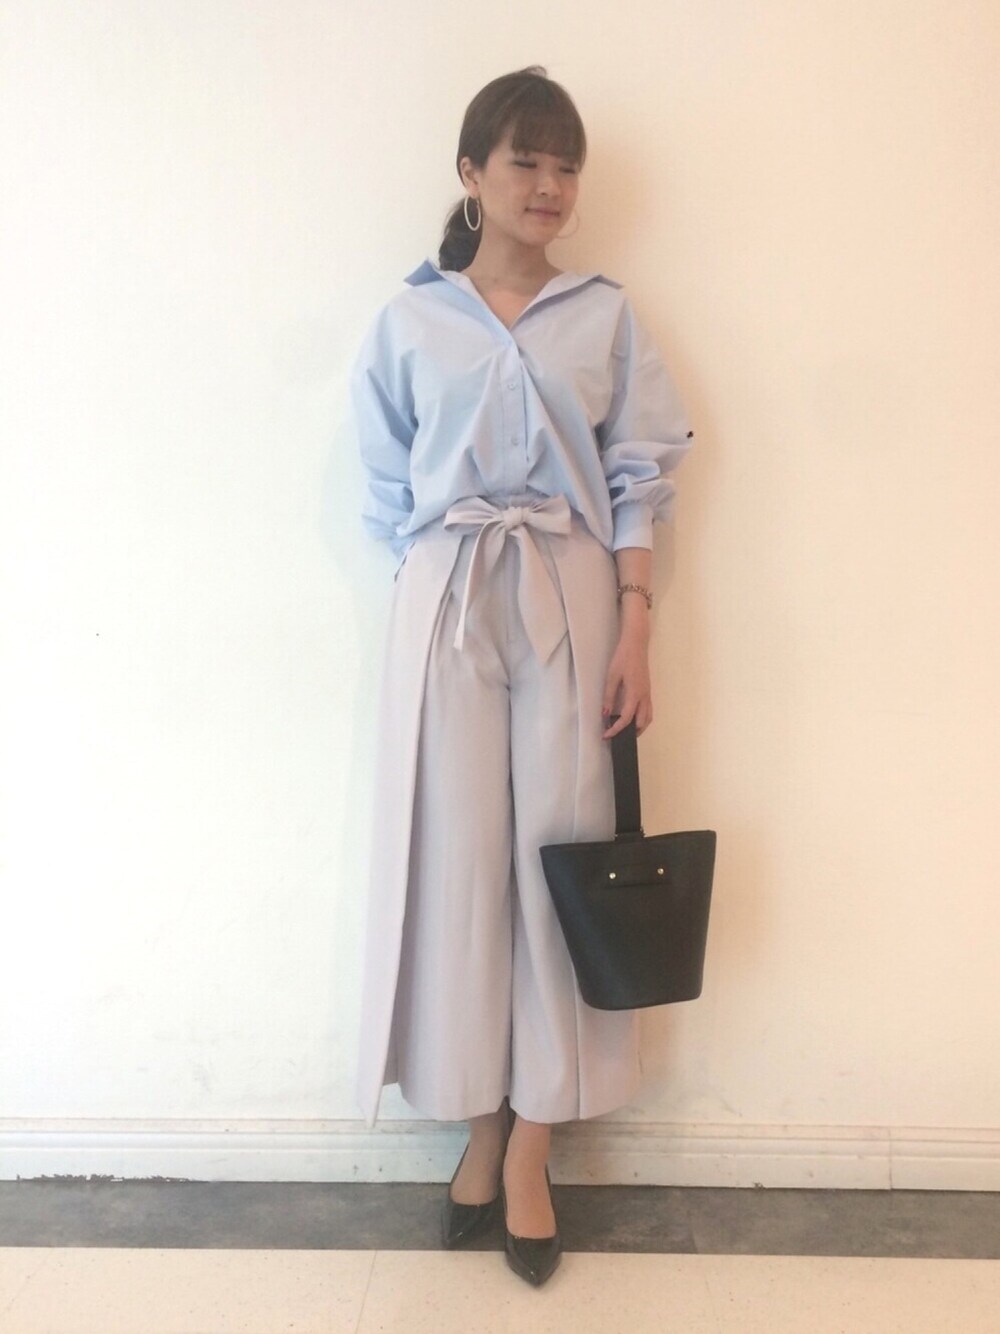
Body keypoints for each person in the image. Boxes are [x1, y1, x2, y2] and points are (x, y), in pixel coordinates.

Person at [348, 65, 695, 1286]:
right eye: (524, 161)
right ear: (471, 173)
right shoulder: (409, 320)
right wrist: (436, 581)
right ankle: (477, 1120)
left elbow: (640, 470)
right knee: (455, 864)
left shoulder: (605, 314)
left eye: (565, 165)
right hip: (448, 596)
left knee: (562, 856)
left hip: (573, 589)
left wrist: (636, 624)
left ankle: (537, 1134)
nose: (548, 185)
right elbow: (385, 484)